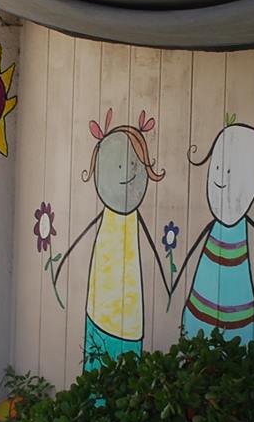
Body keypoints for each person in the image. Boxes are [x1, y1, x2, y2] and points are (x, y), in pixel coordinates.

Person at [51, 110, 168, 367]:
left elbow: (156, 258)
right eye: (117, 165)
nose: (126, 172)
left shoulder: (134, 225)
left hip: (131, 319)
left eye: (135, 165)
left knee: (127, 365)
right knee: (97, 363)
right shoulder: (105, 224)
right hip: (99, 311)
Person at [175, 120, 254, 344]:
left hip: (238, 315)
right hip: (198, 306)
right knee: (197, 333)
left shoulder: (245, 230)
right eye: (218, 168)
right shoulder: (213, 230)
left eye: (231, 171)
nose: (220, 179)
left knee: (236, 335)